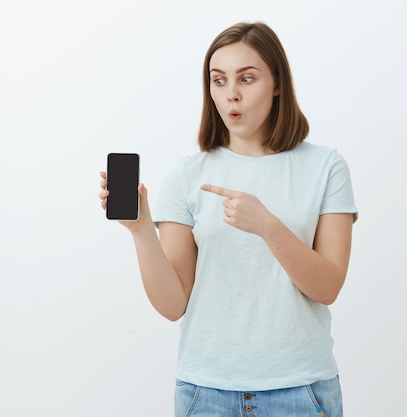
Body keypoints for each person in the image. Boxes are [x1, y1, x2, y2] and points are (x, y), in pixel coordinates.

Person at [99, 21, 357, 417]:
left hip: (300, 389)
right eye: (218, 81)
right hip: (206, 392)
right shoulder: (186, 176)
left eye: (247, 78)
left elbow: (327, 287)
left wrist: (267, 226)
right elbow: (173, 305)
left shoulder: (325, 167)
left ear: (276, 84)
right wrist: (139, 230)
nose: (231, 94)